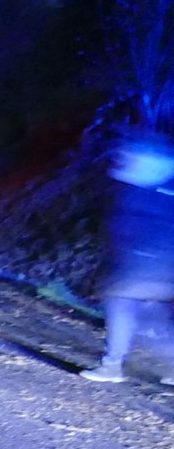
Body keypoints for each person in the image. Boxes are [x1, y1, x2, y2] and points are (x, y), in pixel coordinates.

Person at [82, 130, 174, 384]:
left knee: (120, 308)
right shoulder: (166, 186)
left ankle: (111, 366)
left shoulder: (138, 188)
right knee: (154, 317)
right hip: (163, 266)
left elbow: (124, 228)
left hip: (138, 263)